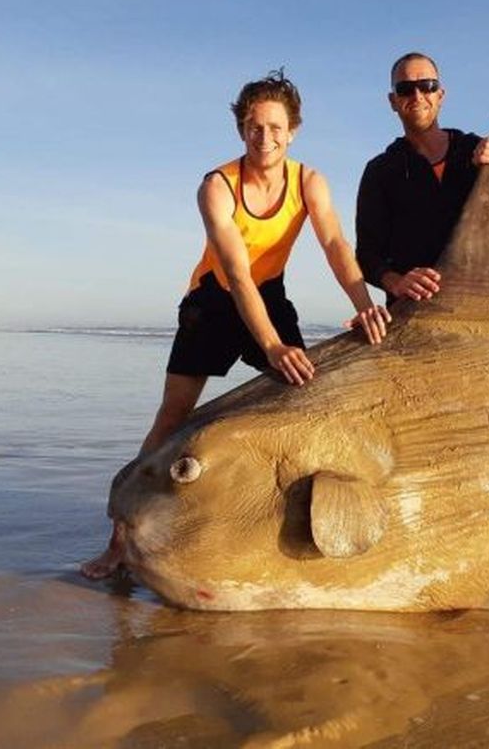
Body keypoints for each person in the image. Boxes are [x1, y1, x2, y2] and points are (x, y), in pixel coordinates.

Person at [82, 70, 390, 580]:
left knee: (301, 394)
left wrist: (364, 302)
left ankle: (274, 524)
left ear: (292, 131)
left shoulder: (308, 181)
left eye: (274, 127)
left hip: (268, 293)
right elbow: (237, 274)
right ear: (240, 129)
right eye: (253, 127)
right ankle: (120, 539)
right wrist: (270, 345)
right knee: (173, 415)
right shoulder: (217, 186)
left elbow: (336, 246)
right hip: (214, 298)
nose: (263, 138)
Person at [355, 52, 489, 304]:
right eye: (405, 89)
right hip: (416, 313)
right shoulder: (380, 171)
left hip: (483, 305)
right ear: (393, 101)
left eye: (427, 86)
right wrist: (397, 282)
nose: (417, 96)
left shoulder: (477, 150)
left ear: (440, 95)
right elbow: (368, 256)